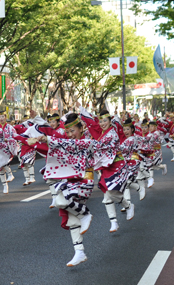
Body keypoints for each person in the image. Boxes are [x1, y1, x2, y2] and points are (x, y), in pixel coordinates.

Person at [40, 112, 94, 266]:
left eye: (73, 131)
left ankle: (86, 214)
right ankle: (79, 252)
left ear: (81, 128)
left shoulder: (87, 141)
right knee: (71, 218)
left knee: (61, 200)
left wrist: (49, 139)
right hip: (70, 181)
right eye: (68, 132)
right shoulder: (68, 142)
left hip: (84, 181)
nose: (70, 135)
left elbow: (68, 144)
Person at [79, 105, 134, 233]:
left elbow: (101, 146)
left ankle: (128, 205)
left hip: (117, 166)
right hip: (106, 168)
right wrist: (82, 110)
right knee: (107, 196)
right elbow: (92, 124)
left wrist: (88, 144)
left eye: (105, 120)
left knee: (110, 193)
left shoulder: (112, 133)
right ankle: (113, 221)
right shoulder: (101, 133)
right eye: (101, 121)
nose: (102, 123)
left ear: (110, 121)